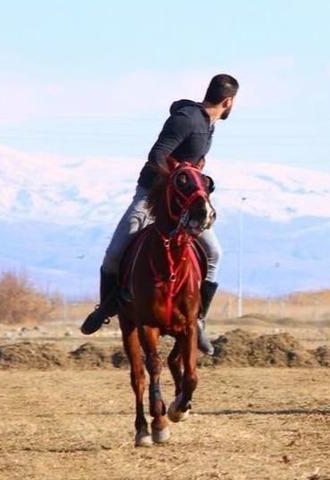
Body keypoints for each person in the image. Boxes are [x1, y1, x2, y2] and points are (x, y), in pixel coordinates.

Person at [80, 74, 239, 355]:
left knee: (214, 253)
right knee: (115, 253)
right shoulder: (186, 119)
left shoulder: (209, 125)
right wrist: (175, 180)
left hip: (183, 204)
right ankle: (106, 307)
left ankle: (198, 320)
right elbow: (157, 155)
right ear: (228, 102)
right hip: (151, 196)